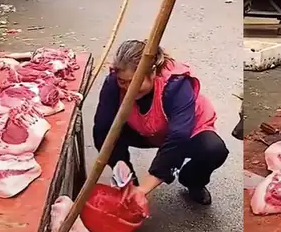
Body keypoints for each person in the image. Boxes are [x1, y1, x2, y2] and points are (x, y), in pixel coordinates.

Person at [93, 40, 227, 208]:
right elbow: (103, 129)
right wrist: (126, 179)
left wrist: (144, 189)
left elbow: (179, 137)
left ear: (153, 73)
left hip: (189, 130)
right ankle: (129, 184)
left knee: (214, 149)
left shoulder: (176, 84)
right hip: (144, 129)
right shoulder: (113, 83)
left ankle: (193, 180)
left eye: (135, 82)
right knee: (106, 132)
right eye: (123, 82)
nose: (129, 88)